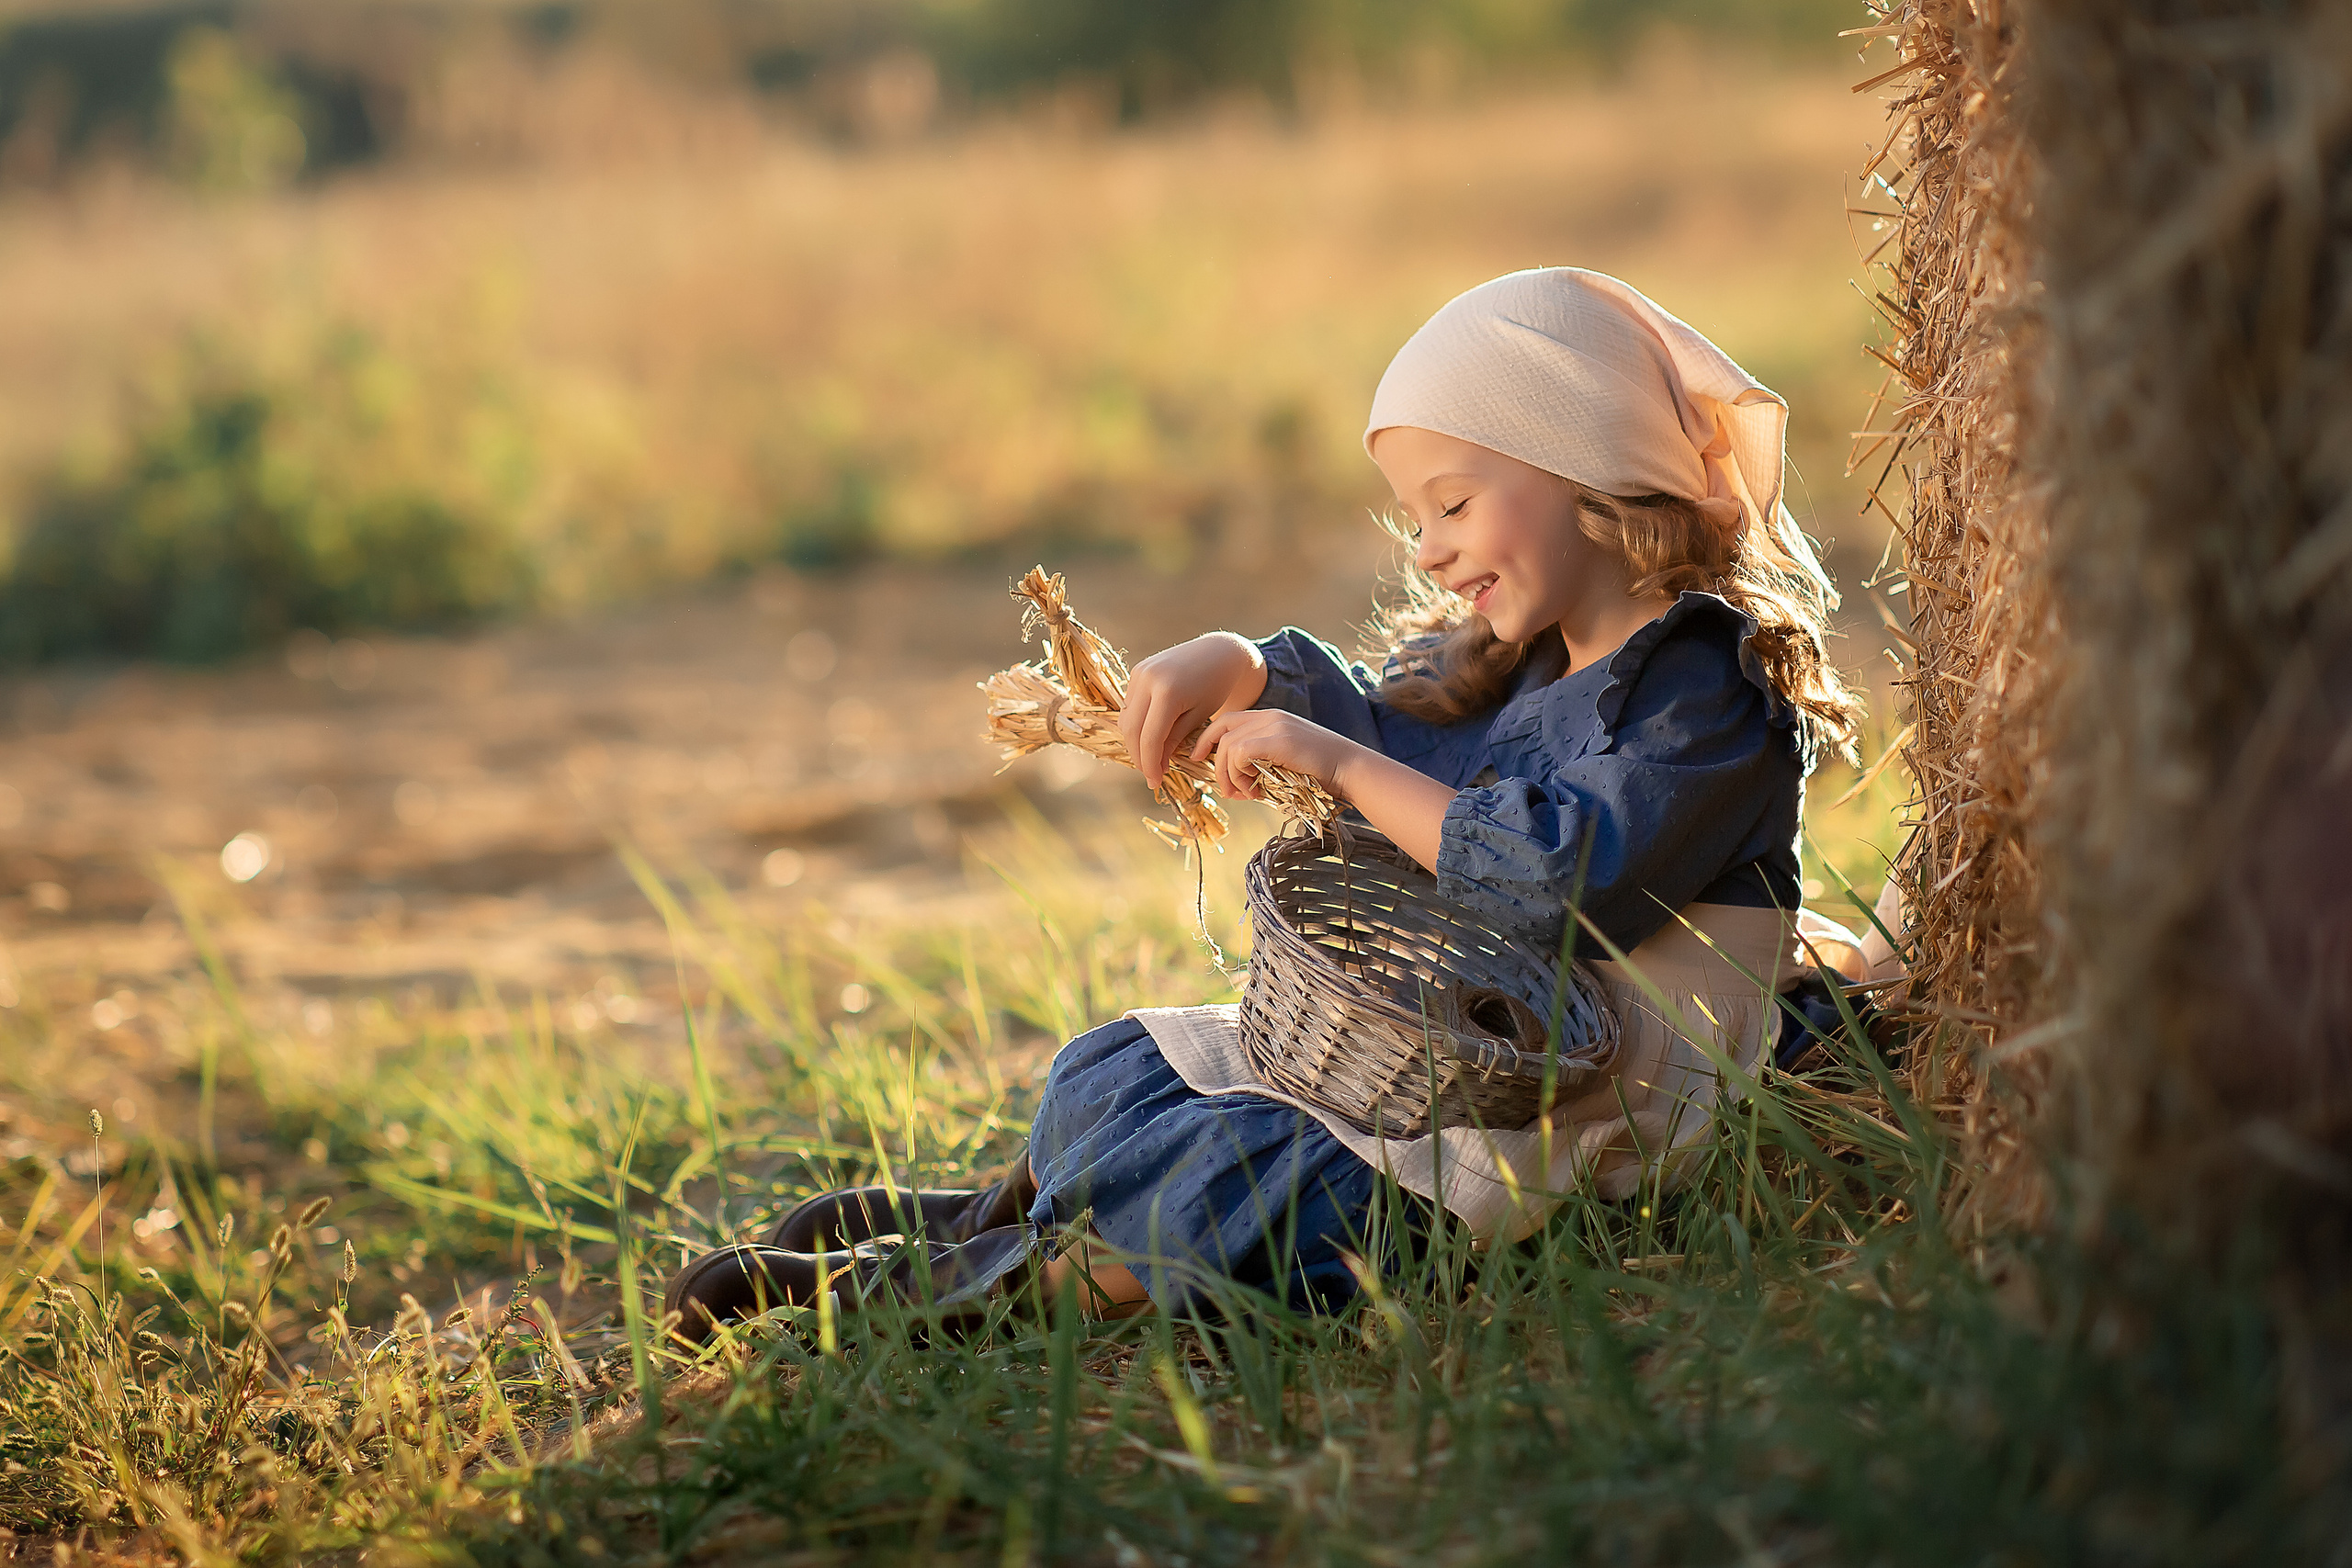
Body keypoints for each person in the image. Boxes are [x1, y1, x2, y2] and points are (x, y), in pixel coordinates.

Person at [664, 266, 1870, 1344]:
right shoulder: (1552, 659)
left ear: (1588, 462)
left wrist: (1335, 766)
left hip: (1587, 1115)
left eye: (1454, 504)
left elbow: (1561, 877)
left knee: (1260, 1176)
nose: (1432, 549)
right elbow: (1411, 747)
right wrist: (1245, 665)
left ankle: (980, 1294)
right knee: (1128, 1062)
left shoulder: (1706, 685)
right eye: (1416, 519)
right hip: (1456, 1066)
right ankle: (982, 1217)